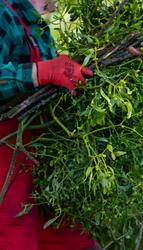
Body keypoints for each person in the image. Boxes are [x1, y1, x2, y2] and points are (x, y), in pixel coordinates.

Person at [0, 0, 99, 249]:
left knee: (76, 242)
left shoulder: (36, 27)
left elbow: (63, 77)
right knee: (14, 237)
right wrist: (40, 72)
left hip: (37, 171)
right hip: (5, 173)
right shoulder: (2, 14)